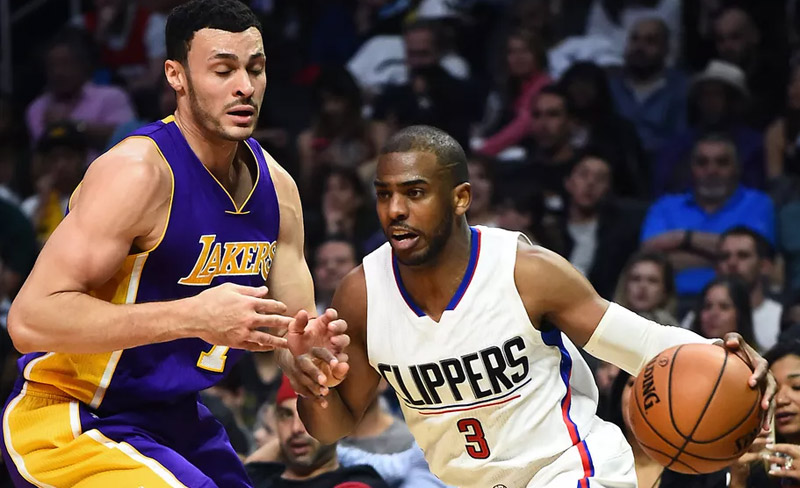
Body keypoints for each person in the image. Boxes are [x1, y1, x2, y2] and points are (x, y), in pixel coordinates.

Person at [281, 125, 774, 488]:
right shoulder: (362, 293)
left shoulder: (524, 270)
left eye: (414, 193)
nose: (395, 210)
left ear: (460, 198)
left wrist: (728, 357)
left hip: (571, 469)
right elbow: (335, 425)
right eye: (384, 195)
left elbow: (642, 343)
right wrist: (313, 384)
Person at [1, 1, 346, 486]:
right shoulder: (137, 173)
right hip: (71, 415)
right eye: (223, 70)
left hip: (176, 420)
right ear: (176, 76)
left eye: (255, 69)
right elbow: (28, 320)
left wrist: (305, 358)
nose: (245, 86)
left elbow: (291, 331)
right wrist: (192, 317)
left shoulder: (279, 189)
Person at [245, 376, 390, 488]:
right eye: (286, 415)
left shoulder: (358, 482)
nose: (296, 428)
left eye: (309, 415)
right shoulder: (256, 477)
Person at [606, 371, 728, 488]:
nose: (638, 394)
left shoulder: (702, 474)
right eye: (632, 383)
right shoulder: (598, 452)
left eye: (651, 386)